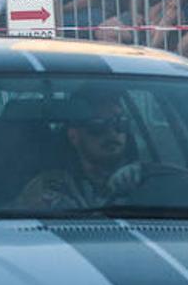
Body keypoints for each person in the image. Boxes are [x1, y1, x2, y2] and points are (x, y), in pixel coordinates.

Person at [14, 87, 153, 210]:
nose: (112, 132)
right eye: (97, 125)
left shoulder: (150, 179)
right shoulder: (48, 187)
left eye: (120, 123)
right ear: (74, 136)